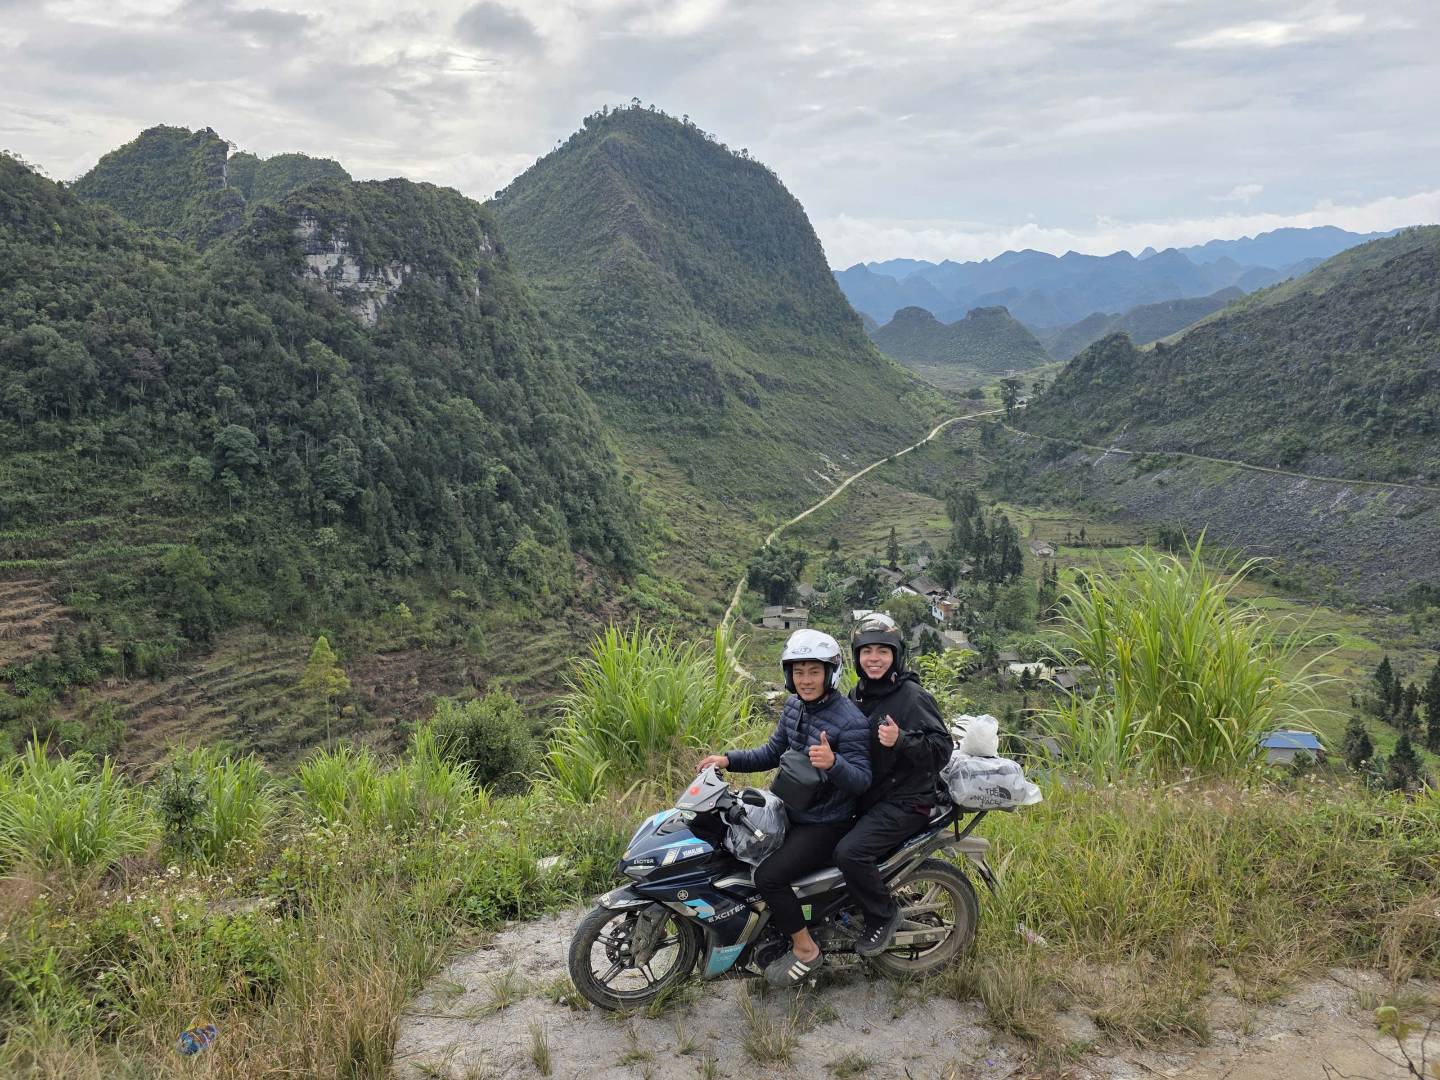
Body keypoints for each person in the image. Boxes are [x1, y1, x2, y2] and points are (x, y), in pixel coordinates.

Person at [698, 628, 871, 987]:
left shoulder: (850, 721)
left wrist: (833, 763)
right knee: (736, 848)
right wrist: (727, 759)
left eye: (813, 671)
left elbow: (861, 781)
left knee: (769, 877)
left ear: (830, 673)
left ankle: (805, 949)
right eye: (798, 672)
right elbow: (771, 752)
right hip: (791, 808)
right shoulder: (794, 706)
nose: (805, 680)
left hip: (827, 822)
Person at [834, 612, 953, 957]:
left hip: (906, 801)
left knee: (850, 853)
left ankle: (883, 915)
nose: (874, 659)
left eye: (882, 652)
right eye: (866, 651)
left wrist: (901, 740)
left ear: (896, 655)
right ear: (856, 656)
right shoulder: (859, 693)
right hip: (872, 793)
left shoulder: (911, 696)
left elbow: (942, 749)